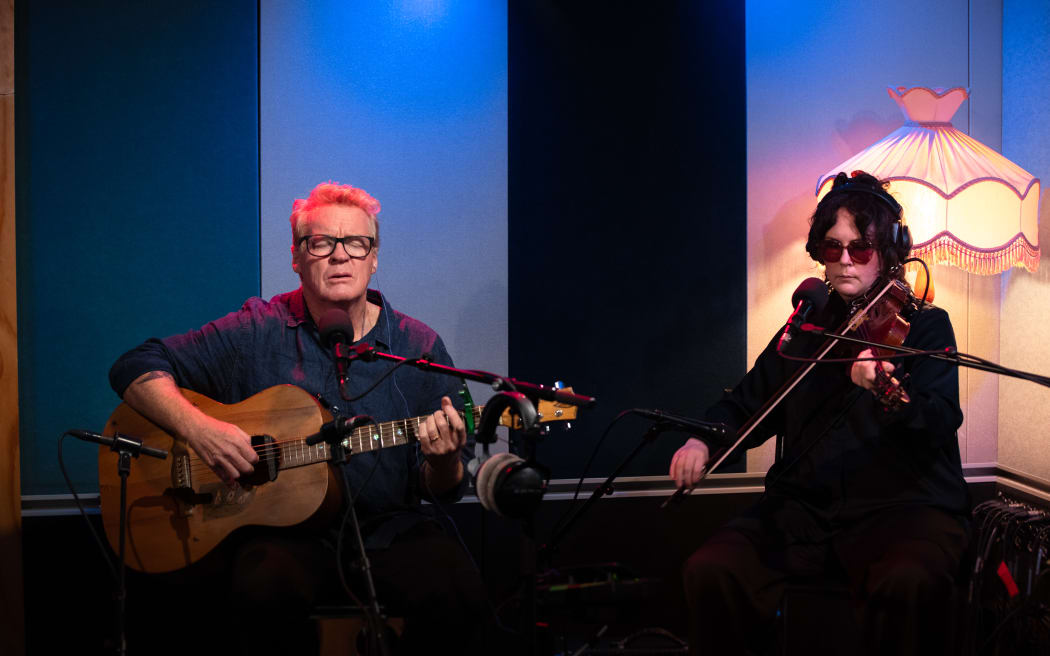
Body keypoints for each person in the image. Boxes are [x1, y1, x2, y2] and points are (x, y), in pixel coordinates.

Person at [109, 182, 490, 655]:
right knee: (261, 588)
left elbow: (446, 488)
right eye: (321, 243)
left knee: (456, 587)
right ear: (296, 257)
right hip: (287, 538)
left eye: (356, 243)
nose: (340, 256)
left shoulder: (418, 347)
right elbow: (134, 367)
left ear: (374, 258)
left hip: (391, 532)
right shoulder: (255, 329)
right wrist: (199, 430)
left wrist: (443, 460)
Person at [669, 171, 971, 656]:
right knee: (713, 567)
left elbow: (938, 421)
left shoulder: (924, 327)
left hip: (900, 512)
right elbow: (748, 403)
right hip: (805, 513)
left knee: (909, 580)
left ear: (889, 252)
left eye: (862, 248)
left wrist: (886, 390)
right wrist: (701, 440)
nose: (846, 261)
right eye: (833, 248)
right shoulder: (806, 327)